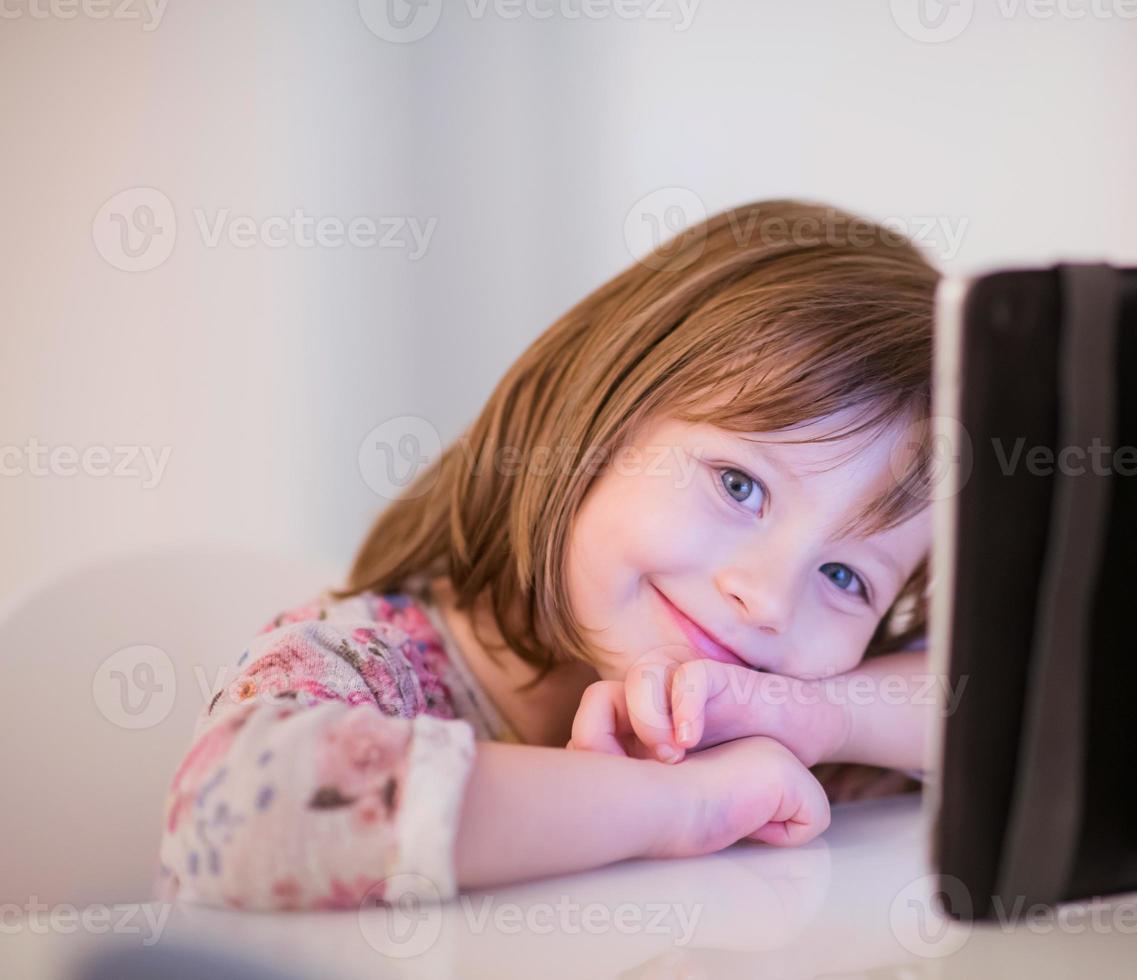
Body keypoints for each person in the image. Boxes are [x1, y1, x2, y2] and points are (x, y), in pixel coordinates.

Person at [154, 200, 941, 911]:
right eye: (739, 485)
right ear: (594, 424)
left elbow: (1036, 723)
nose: (768, 599)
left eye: (846, 577)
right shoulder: (376, 663)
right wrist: (682, 805)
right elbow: (239, 807)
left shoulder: (787, 732)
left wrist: (825, 717)